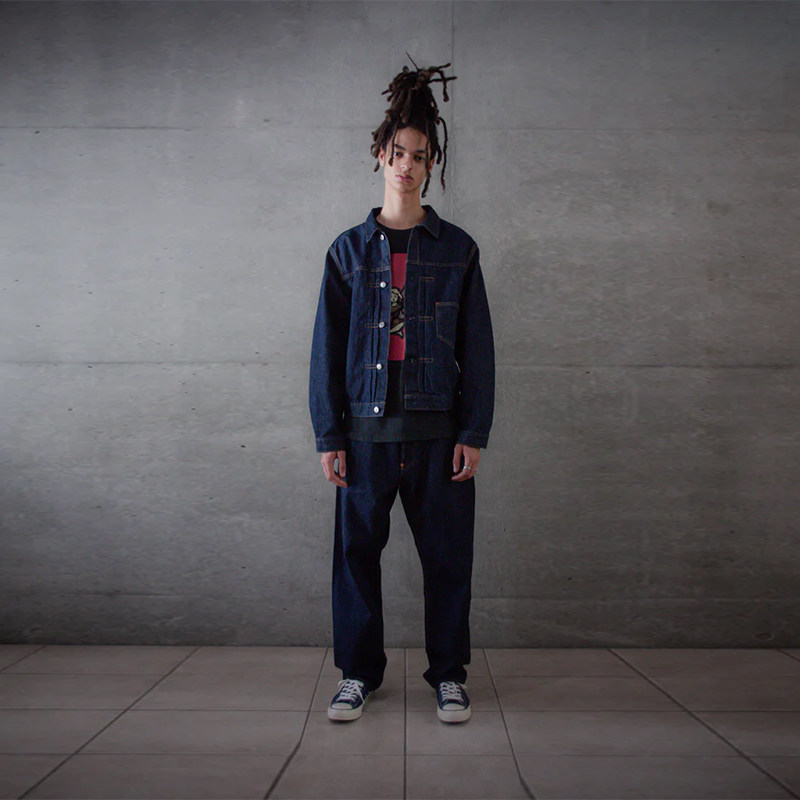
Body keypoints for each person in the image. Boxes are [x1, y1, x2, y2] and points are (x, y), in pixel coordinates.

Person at [309, 60, 494, 724]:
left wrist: (473, 431)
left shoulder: (457, 251)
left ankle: (449, 676)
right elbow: (326, 350)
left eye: (419, 155)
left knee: (448, 562)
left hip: (439, 436)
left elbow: (478, 349)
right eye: (397, 153)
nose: (406, 166)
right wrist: (329, 434)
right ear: (380, 157)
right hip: (365, 436)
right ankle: (358, 674)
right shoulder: (347, 252)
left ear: (432, 163)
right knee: (356, 558)